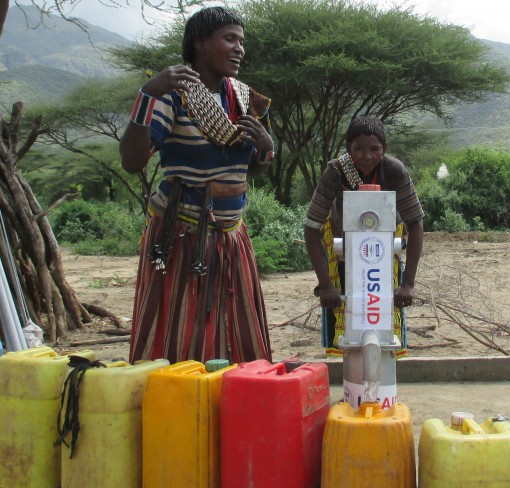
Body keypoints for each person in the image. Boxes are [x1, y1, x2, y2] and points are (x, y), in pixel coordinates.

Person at [119, 7, 273, 364]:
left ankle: (234, 405)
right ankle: (178, 408)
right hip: (182, 236)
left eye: (241, 41)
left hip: (232, 235)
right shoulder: (173, 95)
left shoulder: (245, 100)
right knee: (181, 333)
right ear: (200, 44)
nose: (239, 49)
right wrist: (146, 95)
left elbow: (250, 169)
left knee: (236, 330)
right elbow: (132, 162)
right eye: (229, 39)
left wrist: (266, 148)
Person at [304, 116, 424, 357]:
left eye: (374, 149)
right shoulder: (336, 172)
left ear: (384, 150)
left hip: (386, 242)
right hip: (343, 239)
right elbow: (311, 227)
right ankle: (342, 358)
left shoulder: (394, 171)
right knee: (342, 303)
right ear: (349, 148)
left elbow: (415, 222)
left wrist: (408, 284)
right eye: (358, 148)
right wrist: (326, 284)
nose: (366, 156)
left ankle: (386, 356)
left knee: (385, 301)